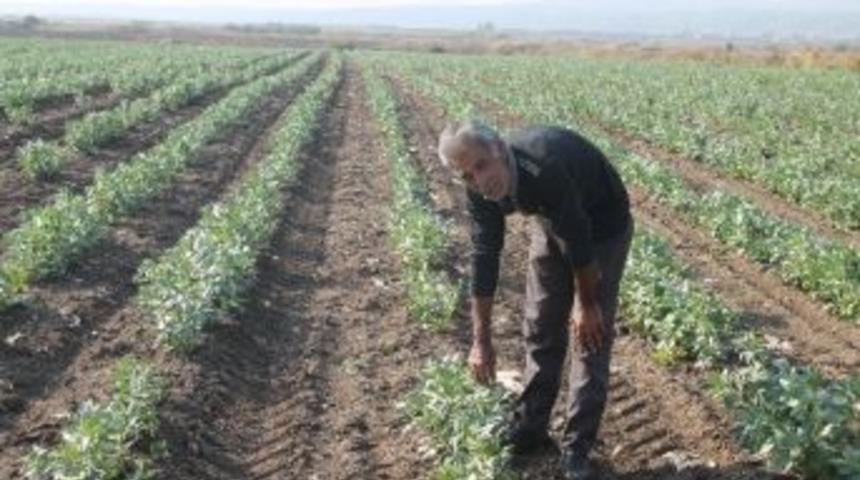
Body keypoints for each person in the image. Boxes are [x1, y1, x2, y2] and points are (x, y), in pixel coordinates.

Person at [437, 120, 634, 480]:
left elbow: (578, 238)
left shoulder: (543, 165)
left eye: (481, 165)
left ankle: (577, 449)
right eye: (466, 176)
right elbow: (484, 254)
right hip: (551, 216)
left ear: (499, 148)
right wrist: (481, 340)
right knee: (541, 322)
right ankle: (531, 427)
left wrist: (587, 304)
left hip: (602, 224)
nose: (479, 181)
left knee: (589, 338)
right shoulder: (479, 189)